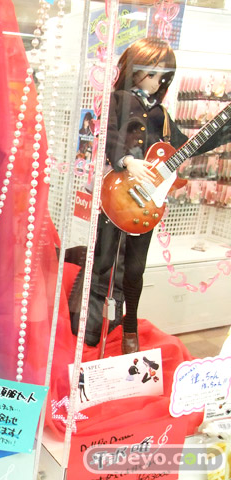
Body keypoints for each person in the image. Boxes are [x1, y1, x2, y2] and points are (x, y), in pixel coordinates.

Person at [92, 37, 231, 354]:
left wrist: (222, 129)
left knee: (135, 270)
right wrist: (127, 161)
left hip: (148, 202)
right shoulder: (117, 100)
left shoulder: (163, 115)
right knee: (102, 262)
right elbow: (108, 135)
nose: (156, 82)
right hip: (118, 195)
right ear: (134, 68)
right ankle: (90, 324)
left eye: (162, 77)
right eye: (151, 73)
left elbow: (185, 147)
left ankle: (129, 329)